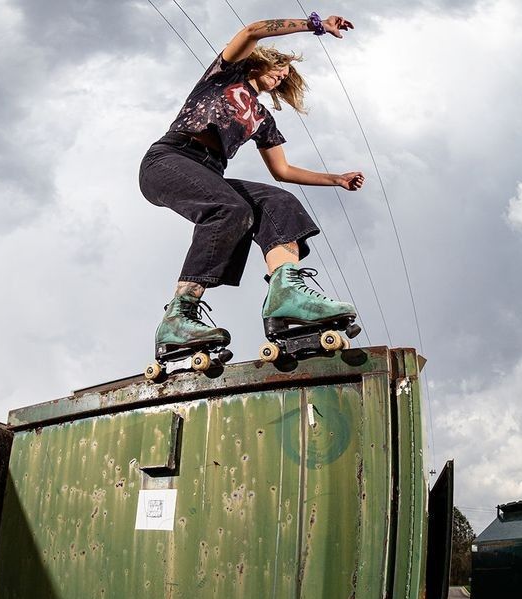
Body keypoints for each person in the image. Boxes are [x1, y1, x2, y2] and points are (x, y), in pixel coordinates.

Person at [139, 12, 365, 362]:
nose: (283, 73)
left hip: (209, 171)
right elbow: (252, 30)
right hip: (169, 159)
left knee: (279, 201)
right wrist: (315, 25)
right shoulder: (223, 77)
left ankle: (286, 294)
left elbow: (282, 169)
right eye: (279, 66)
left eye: (287, 74)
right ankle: (178, 317)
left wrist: (335, 178)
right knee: (232, 208)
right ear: (260, 63)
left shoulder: (263, 119)